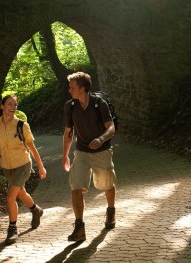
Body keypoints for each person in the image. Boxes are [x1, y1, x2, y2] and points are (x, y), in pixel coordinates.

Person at [61, 72, 117, 242]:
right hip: (82, 152)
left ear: (82, 88)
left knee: (107, 186)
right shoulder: (70, 106)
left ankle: (111, 211)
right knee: (76, 187)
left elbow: (111, 128)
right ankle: (79, 227)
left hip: (102, 152)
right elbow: (68, 133)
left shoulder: (99, 104)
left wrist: (101, 139)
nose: (69, 90)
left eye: (72, 87)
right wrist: (65, 156)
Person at [0, 95, 47, 245]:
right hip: (7, 167)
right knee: (21, 193)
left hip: (23, 165)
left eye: (15, 105)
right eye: (9, 104)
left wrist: (41, 166)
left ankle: (12, 229)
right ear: (2, 106)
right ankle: (36, 210)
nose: (13, 107)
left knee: (10, 198)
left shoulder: (21, 125)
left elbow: (32, 148)